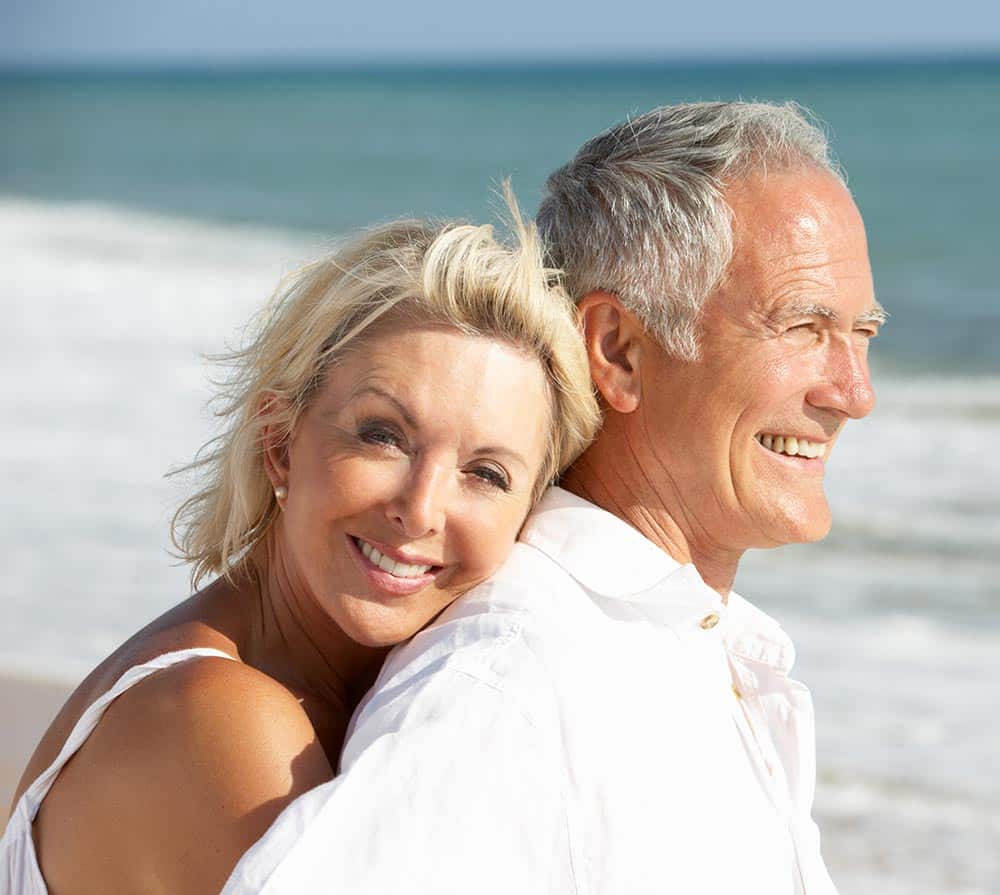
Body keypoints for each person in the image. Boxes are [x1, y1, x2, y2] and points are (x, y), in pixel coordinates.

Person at [221, 101, 885, 895]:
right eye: (804, 327)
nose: (854, 392)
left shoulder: (685, 647)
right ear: (619, 350)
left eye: (863, 334)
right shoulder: (511, 686)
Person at [1, 198, 601, 894]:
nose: (421, 508)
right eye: (382, 435)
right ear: (279, 443)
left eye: (486, 473)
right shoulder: (224, 720)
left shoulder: (357, 698)